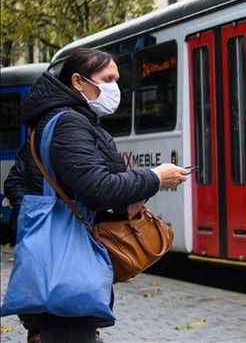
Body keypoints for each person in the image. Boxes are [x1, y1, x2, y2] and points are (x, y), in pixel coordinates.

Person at [3, 48, 188, 343]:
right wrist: (154, 178)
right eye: (108, 78)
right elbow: (98, 187)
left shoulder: (55, 121)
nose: (115, 87)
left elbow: (22, 183)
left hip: (53, 270)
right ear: (78, 81)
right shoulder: (69, 123)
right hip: (66, 273)